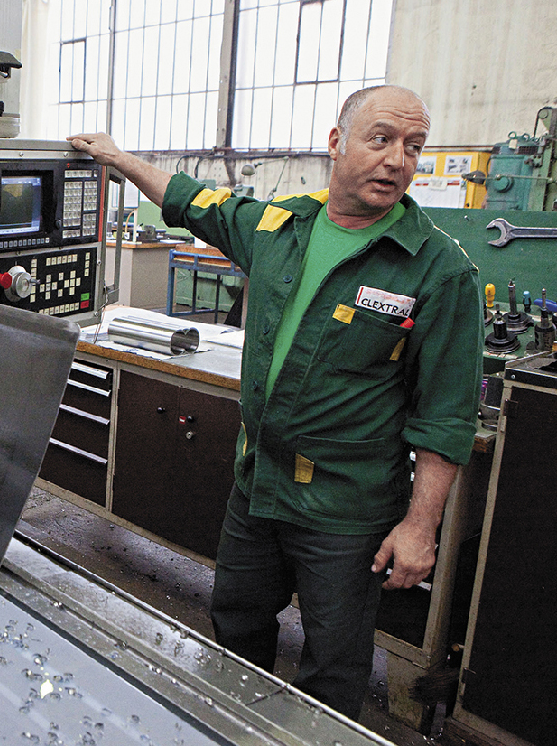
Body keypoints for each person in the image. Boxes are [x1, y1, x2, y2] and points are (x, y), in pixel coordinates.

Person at [68, 85, 482, 720]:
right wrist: (120, 159)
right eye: (381, 139)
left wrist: (420, 526)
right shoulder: (279, 226)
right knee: (235, 623)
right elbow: (193, 202)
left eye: (413, 146)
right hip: (258, 486)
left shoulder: (437, 270)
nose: (398, 159)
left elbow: (445, 416)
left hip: (346, 511)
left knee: (334, 662)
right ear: (336, 143)